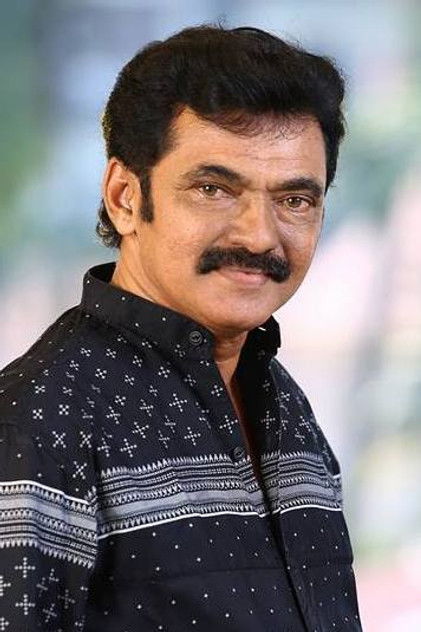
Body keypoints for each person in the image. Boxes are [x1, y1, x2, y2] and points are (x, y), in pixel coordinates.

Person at [0, 24, 362, 631]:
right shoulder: (35, 423)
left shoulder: (283, 404)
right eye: (213, 189)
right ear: (124, 197)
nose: (259, 235)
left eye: (295, 200)